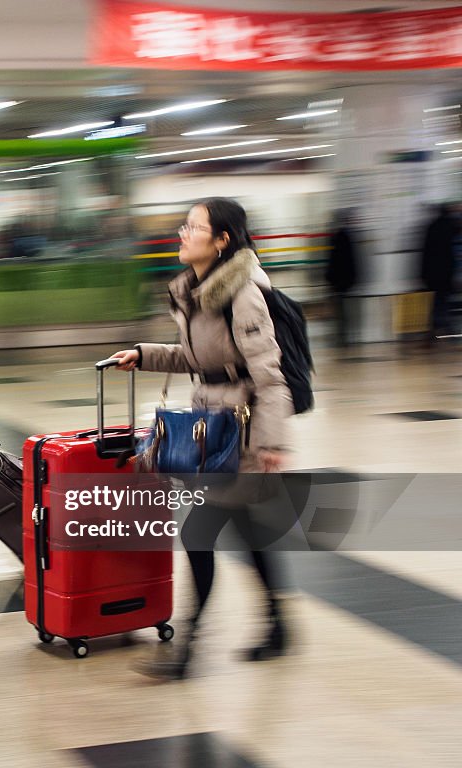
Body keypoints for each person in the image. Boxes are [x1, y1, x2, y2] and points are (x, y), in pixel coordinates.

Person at [110, 197, 294, 680]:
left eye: (193, 227)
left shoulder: (242, 293)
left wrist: (272, 443)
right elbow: (202, 359)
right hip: (212, 426)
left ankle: (187, 650)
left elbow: (270, 376)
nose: (182, 233)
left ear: (221, 240)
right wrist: (144, 354)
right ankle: (279, 624)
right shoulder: (199, 289)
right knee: (248, 534)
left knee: (198, 532)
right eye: (185, 226)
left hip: (241, 431)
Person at [419, 202, 460, 344]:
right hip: (446, 274)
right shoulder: (451, 227)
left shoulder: (431, 227)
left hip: (433, 275)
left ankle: (432, 335)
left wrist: (423, 275)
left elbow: (425, 253)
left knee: (437, 304)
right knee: (443, 304)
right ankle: (448, 335)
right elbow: (452, 254)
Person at [324, 209, 359, 347]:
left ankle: (342, 337)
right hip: (345, 281)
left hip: (338, 281)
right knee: (344, 310)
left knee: (341, 311)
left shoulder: (337, 237)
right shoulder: (348, 236)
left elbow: (334, 260)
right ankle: (345, 336)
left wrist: (329, 278)